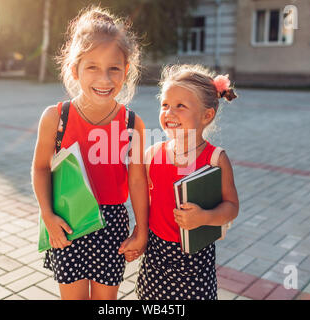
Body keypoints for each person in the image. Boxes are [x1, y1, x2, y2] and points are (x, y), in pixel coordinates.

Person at [31, 6, 148, 300]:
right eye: (92, 67)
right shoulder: (56, 117)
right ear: (75, 70)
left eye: (114, 68)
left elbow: (137, 181)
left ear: (127, 71)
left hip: (112, 227)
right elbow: (41, 169)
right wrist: (47, 215)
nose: (104, 79)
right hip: (67, 220)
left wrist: (141, 230)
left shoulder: (133, 123)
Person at [136, 64, 239, 300]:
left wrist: (204, 217)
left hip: (195, 261)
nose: (169, 113)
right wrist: (140, 232)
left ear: (206, 115)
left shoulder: (215, 159)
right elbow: (145, 200)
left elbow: (232, 207)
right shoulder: (152, 154)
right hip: (156, 256)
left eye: (180, 106)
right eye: (165, 105)